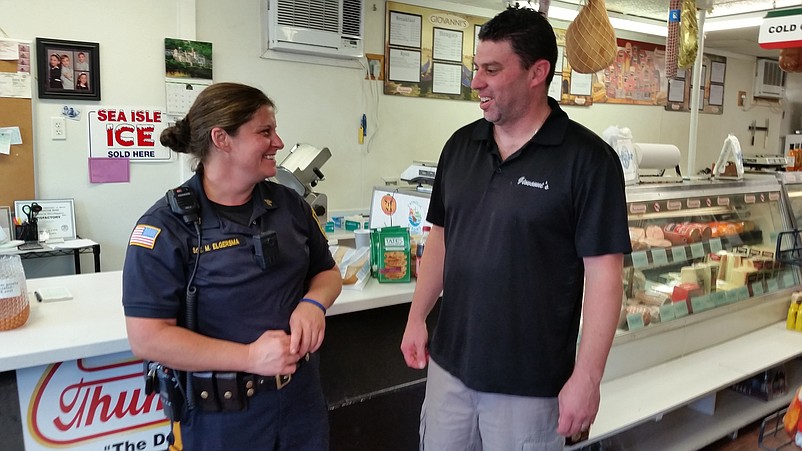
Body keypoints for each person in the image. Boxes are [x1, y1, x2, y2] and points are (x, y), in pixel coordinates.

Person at [400, 6, 631, 450]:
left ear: (536, 73)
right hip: (449, 370)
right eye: (475, 68)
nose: (476, 83)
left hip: (529, 387)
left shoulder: (588, 161)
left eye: (491, 69)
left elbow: (605, 277)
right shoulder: (461, 145)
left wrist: (587, 377)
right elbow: (441, 239)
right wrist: (416, 317)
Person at [122, 82, 342, 450]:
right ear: (222, 139)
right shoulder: (164, 228)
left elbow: (328, 272)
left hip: (301, 407)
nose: (279, 143)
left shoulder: (289, 205)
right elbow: (147, 338)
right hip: (223, 419)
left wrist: (313, 303)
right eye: (265, 132)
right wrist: (250, 357)